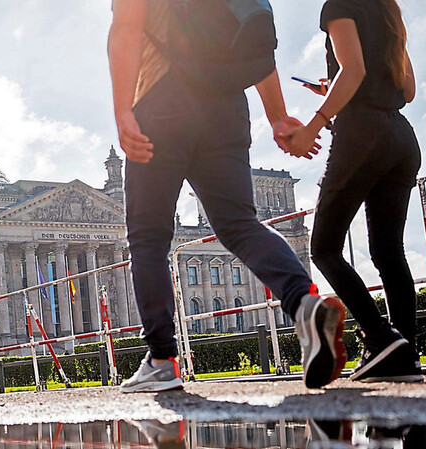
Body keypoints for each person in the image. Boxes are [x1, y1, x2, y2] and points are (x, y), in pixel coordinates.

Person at [108, 0, 347, 393]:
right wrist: (277, 115)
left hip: (162, 103)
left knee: (148, 239)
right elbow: (255, 45)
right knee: (240, 225)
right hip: (227, 108)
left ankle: (163, 360)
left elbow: (126, 30)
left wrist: (123, 110)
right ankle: (304, 302)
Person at [285, 0, 423, 382]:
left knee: (324, 248)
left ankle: (380, 338)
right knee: (389, 253)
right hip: (401, 138)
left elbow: (355, 70)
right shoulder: (389, 11)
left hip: (361, 136)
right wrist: (336, 88)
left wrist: (315, 124)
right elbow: (407, 90)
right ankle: (404, 354)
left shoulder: (338, 5)